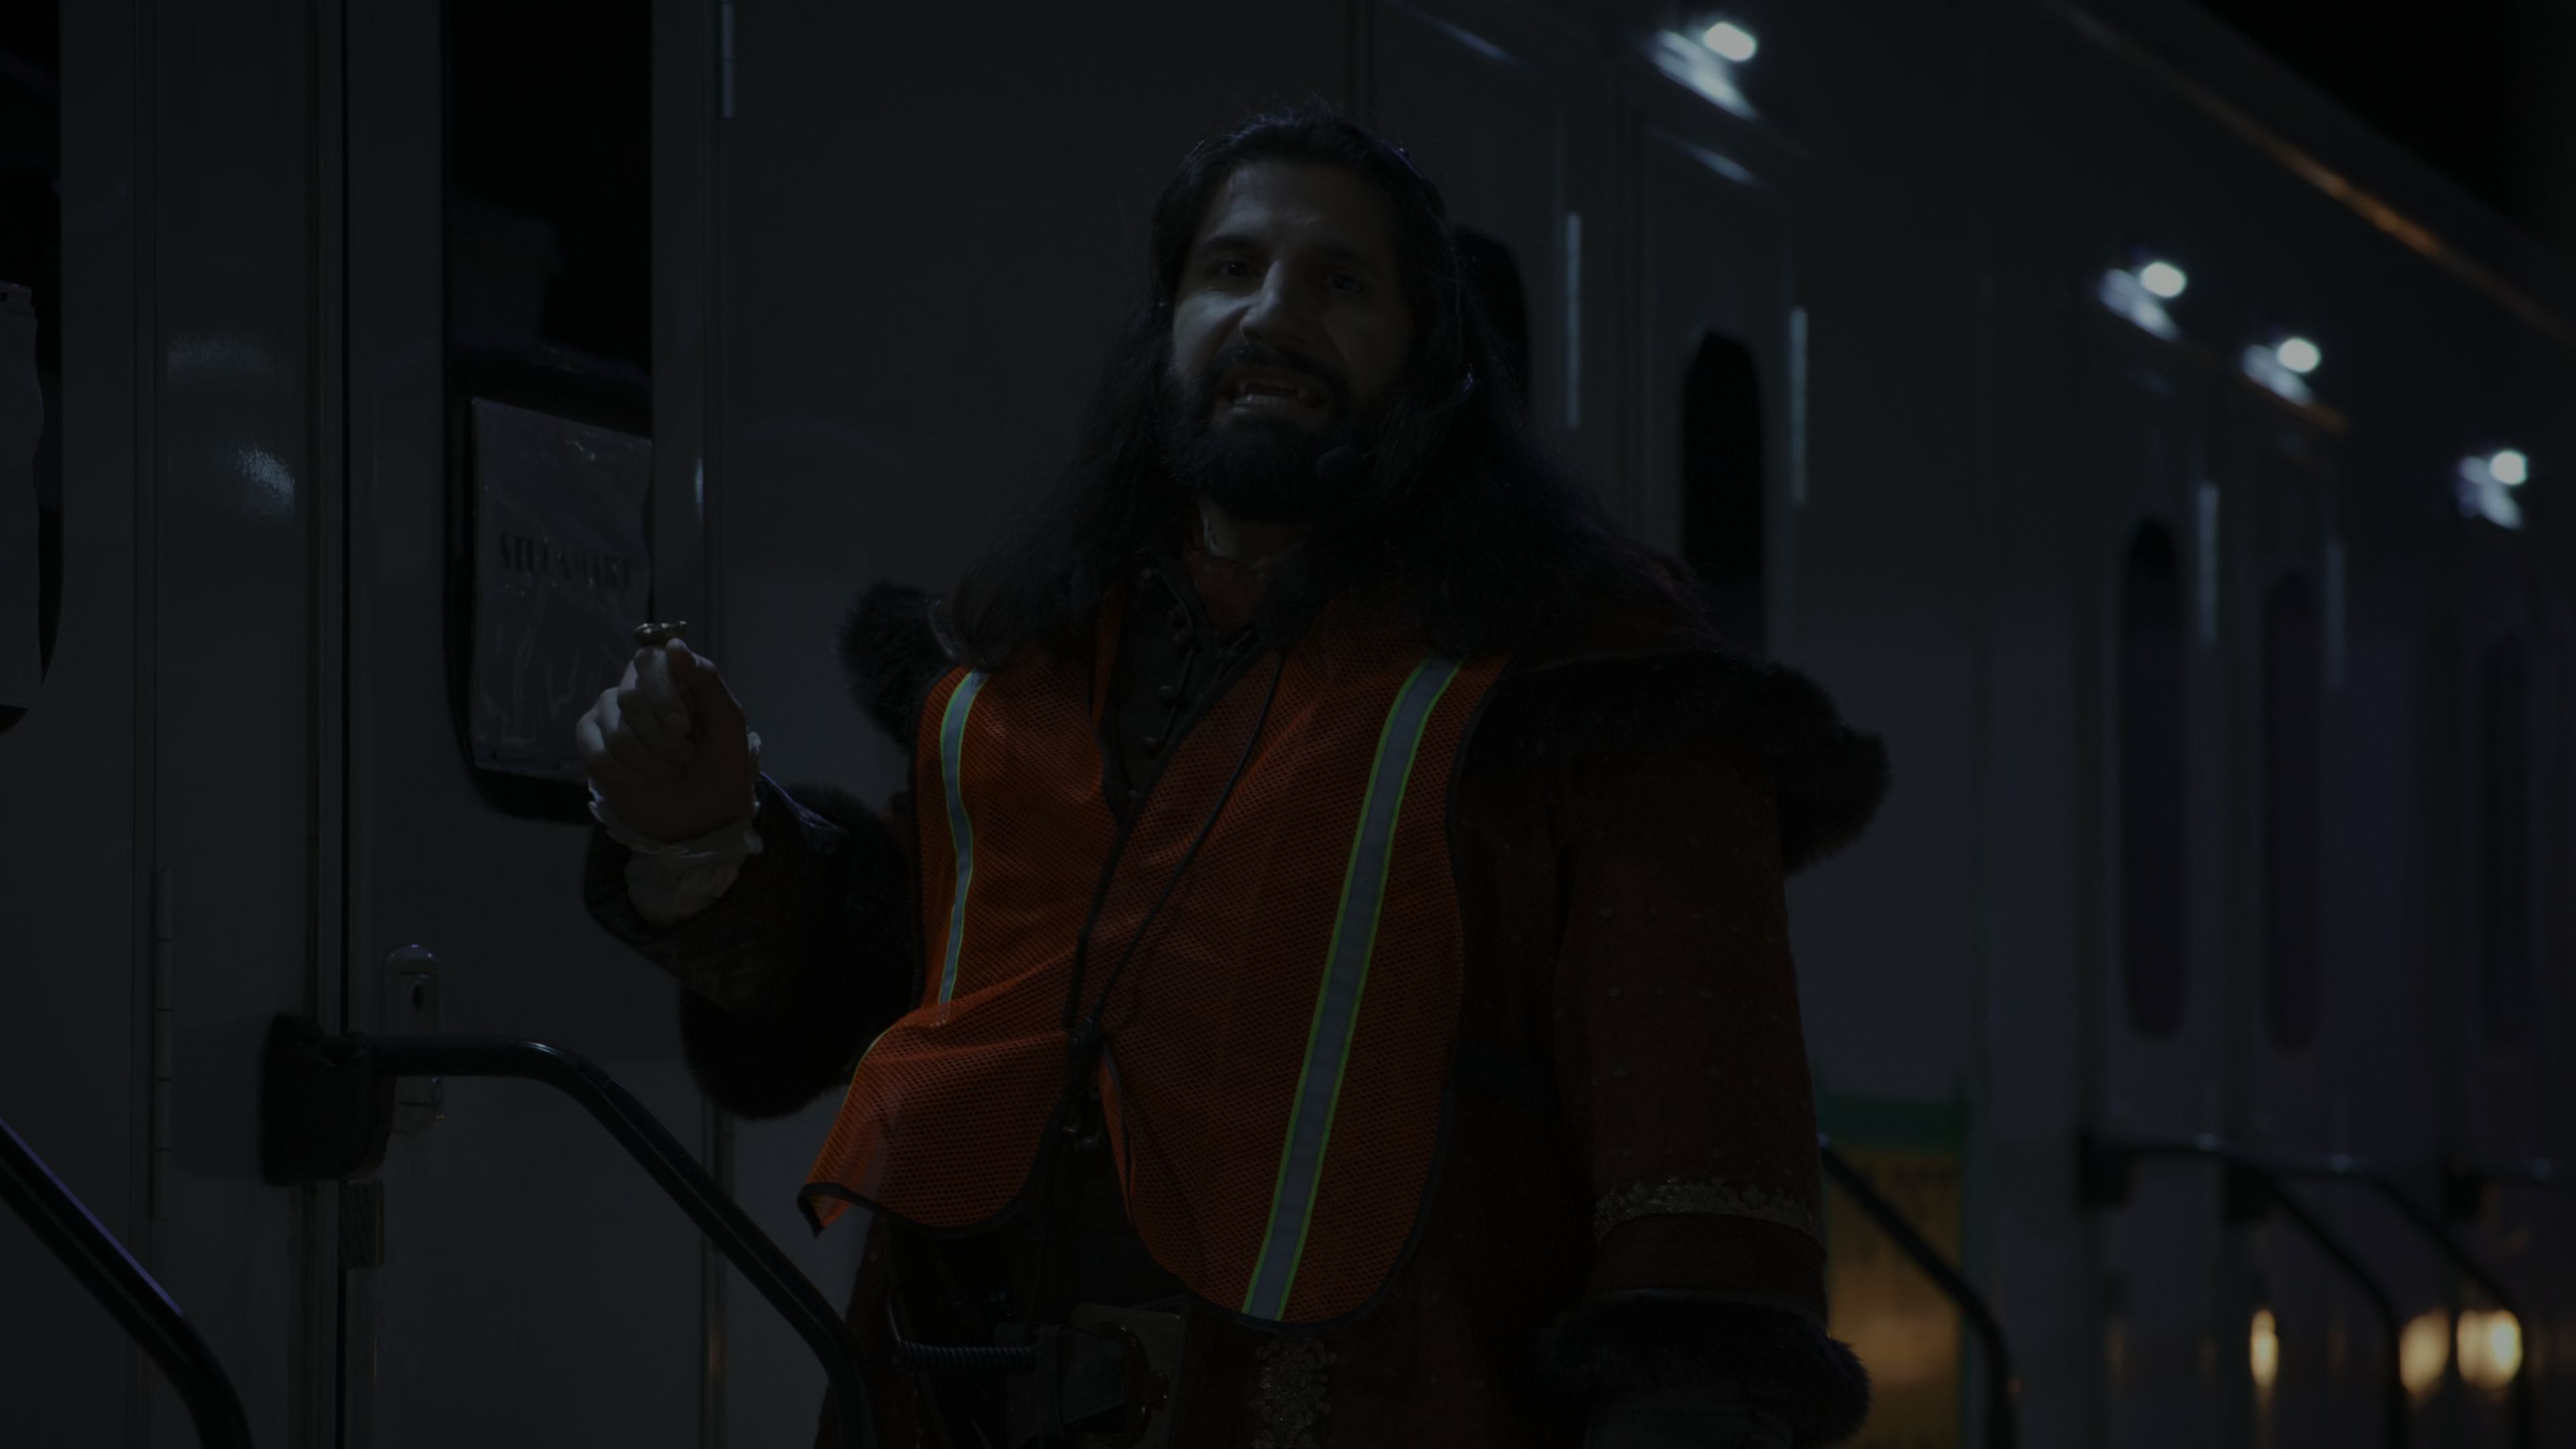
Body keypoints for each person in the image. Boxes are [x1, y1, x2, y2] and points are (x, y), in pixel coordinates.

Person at [579, 105, 1888, 1449]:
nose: (1274, 313)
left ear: (1432, 356)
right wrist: (714, 837)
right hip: (956, 1397)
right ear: (1169, 326)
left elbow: (1700, 1175)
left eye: (1341, 282)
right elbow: (908, 967)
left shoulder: (1593, 683)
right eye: (1232, 269)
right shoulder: (1032, 656)